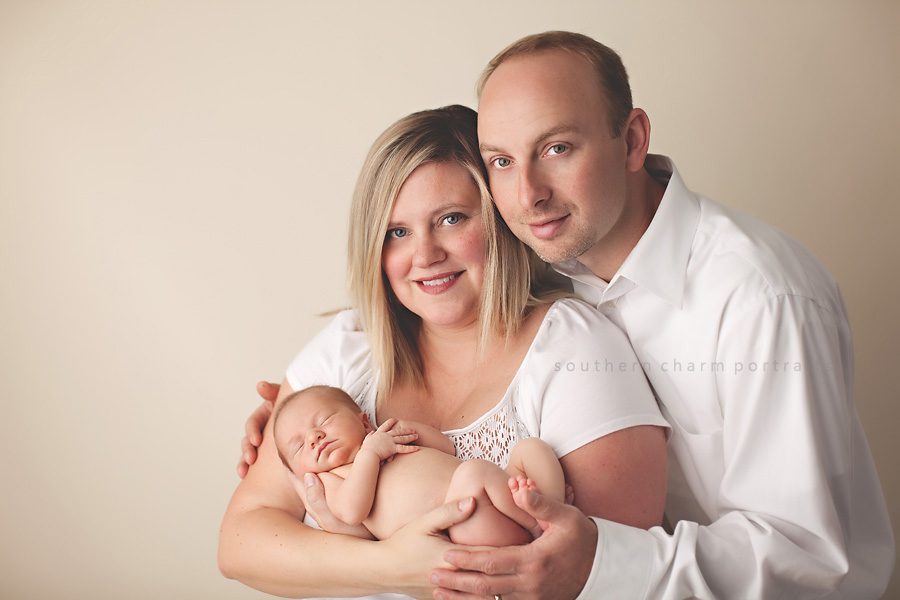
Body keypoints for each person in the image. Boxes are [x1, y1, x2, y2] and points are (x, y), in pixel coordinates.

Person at [241, 31, 895, 599]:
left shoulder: (761, 297)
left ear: (631, 140)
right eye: (502, 161)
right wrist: (305, 418)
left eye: (557, 148)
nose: (527, 193)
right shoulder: (554, 255)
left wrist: (597, 564)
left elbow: (810, 559)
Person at [219, 104, 670, 599]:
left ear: (499, 219)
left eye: (451, 219)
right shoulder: (345, 350)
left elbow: (615, 579)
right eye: (398, 232)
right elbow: (241, 544)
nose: (425, 255)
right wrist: (392, 566)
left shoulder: (574, 349)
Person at [272, 385, 565, 545]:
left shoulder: (387, 436)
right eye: (299, 446)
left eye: (324, 421)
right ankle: (539, 528)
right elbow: (352, 512)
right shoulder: (332, 479)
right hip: (463, 525)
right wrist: (368, 456)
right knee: (473, 471)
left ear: (363, 421)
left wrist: (406, 429)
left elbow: (446, 447)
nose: (313, 437)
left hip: (495, 491)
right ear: (299, 472)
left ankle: (554, 505)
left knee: (532, 449)